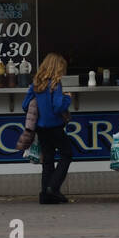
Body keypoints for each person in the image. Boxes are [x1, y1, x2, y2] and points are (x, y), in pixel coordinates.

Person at [23, 53, 73, 204]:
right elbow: (58, 107)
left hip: (41, 127)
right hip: (55, 126)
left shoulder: (35, 84)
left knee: (48, 160)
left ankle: (45, 195)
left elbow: (25, 105)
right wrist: (68, 98)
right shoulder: (55, 84)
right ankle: (53, 187)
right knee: (67, 154)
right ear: (57, 67)